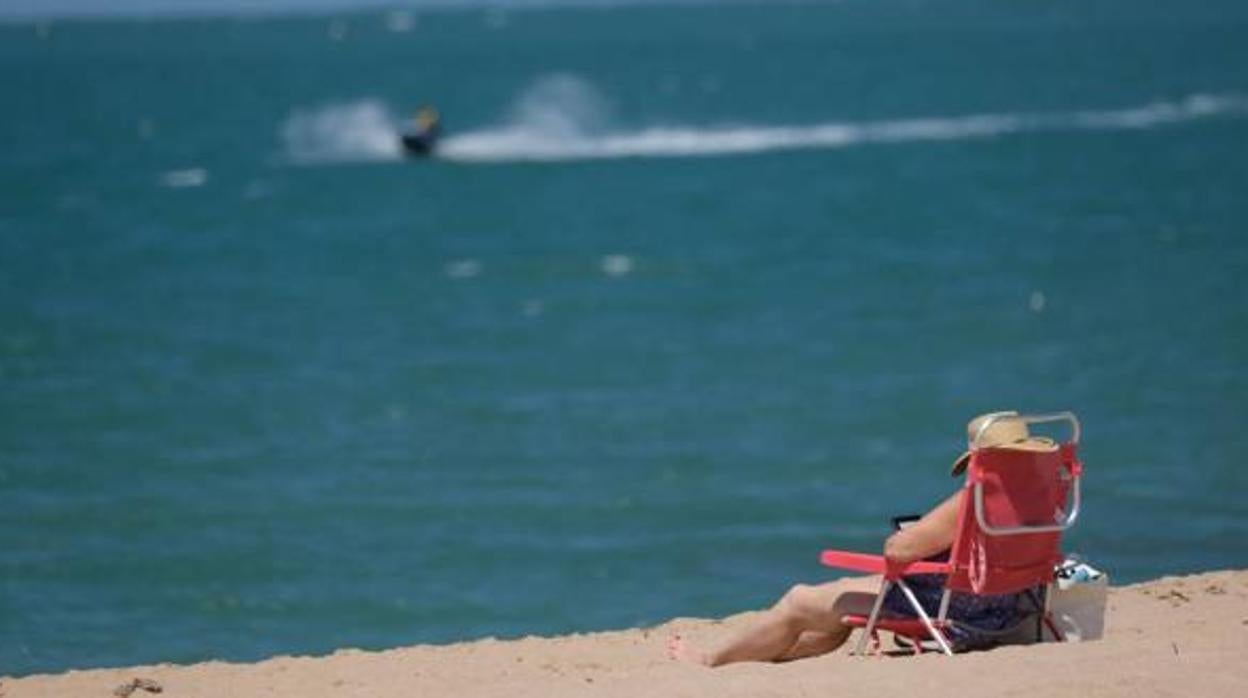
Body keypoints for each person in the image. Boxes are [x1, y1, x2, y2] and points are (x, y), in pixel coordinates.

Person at [668, 412, 1042, 666]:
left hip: (958, 613)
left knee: (799, 600)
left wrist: (911, 535)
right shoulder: (1035, 498)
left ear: (980, 461)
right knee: (842, 593)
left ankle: (710, 661)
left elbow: (899, 552)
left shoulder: (974, 499)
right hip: (1005, 608)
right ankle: (773, 653)